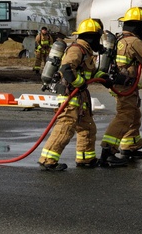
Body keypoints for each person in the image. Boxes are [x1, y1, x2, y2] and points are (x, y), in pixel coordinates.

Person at [38, 19, 129, 171]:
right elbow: (67, 69)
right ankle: (48, 160)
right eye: (97, 37)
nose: (99, 41)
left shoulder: (86, 52)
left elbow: (91, 73)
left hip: (80, 97)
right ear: (91, 37)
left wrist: (105, 79)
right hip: (70, 96)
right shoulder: (76, 50)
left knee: (88, 128)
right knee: (65, 127)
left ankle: (86, 158)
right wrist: (79, 82)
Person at [99, 7, 142, 166]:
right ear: (139, 25)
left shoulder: (120, 39)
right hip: (125, 85)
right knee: (124, 115)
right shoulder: (134, 41)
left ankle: (130, 146)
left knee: (133, 114)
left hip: (121, 83)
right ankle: (108, 150)